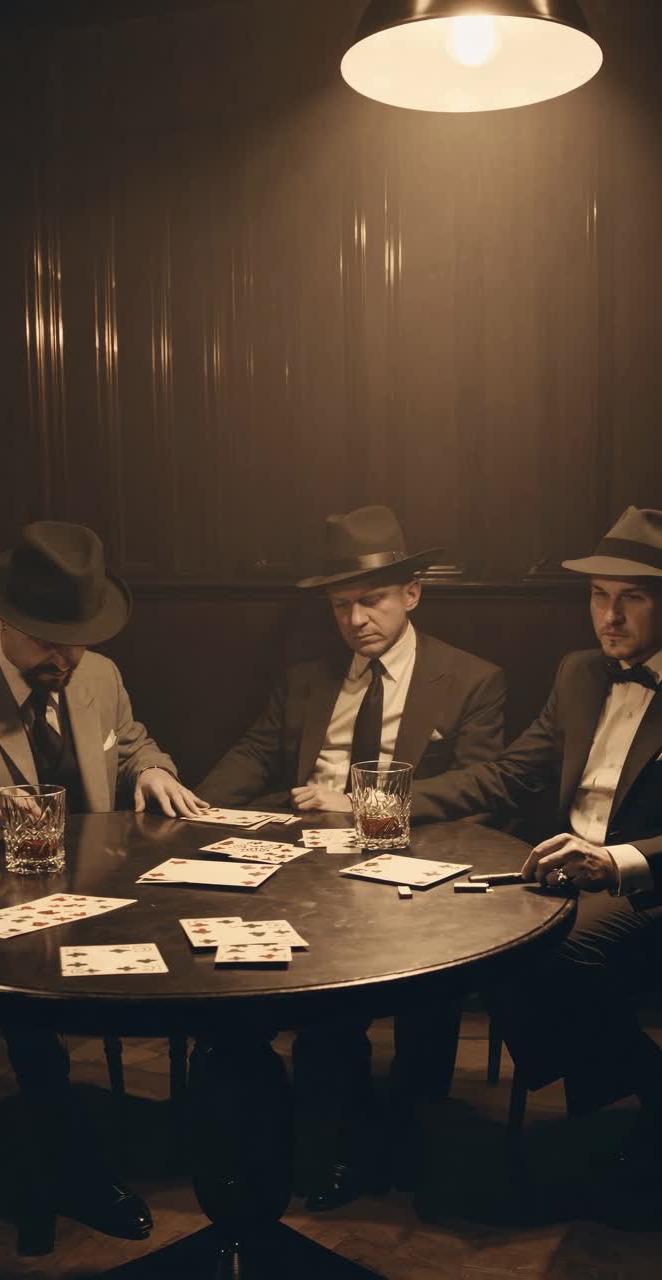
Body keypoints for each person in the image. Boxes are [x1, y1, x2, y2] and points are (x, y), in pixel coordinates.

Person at [197, 504, 507, 1209]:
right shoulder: (309, 677)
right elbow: (256, 750)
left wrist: (367, 805)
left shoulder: (471, 679)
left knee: (429, 976)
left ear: (412, 593)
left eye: (370, 600)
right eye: (342, 606)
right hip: (304, 864)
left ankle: (403, 1134)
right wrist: (204, 809)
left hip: (412, 861)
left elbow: (484, 781)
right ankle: (323, 1140)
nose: (356, 619)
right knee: (315, 993)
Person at [0, 520, 208, 1244]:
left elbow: (130, 742)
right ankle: (60, 1169)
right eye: (44, 639)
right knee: (28, 1007)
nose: (63, 657)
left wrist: (150, 768)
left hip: (95, 896)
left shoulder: (99, 674)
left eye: (77, 637)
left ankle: (191, 1136)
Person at [409, 506, 661, 1193]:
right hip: (562, 868)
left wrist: (615, 860)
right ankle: (626, 1096)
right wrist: (390, 804)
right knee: (459, 926)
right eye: (598, 597)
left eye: (632, 599)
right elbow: (508, 772)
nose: (609, 617)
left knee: (555, 946)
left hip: (643, 880)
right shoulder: (578, 673)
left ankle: (642, 1100)